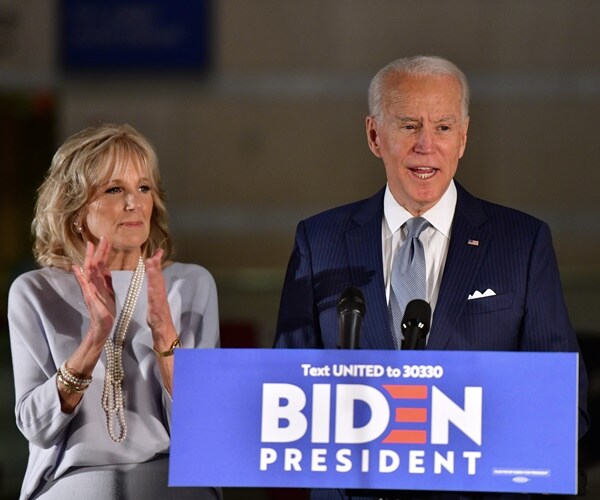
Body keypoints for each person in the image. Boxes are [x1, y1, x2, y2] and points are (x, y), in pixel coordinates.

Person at [274, 56, 589, 499]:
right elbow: (285, 395)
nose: (427, 145)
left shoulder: (522, 242)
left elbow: (562, 400)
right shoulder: (319, 240)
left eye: (442, 128)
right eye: (408, 126)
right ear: (373, 136)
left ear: (463, 137)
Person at [8, 123, 222, 500]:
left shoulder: (191, 284)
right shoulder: (35, 291)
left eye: (143, 187)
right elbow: (35, 426)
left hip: (171, 486)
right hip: (70, 486)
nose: (133, 203)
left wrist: (164, 334)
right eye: (114, 189)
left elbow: (205, 427)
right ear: (75, 208)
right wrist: (94, 339)